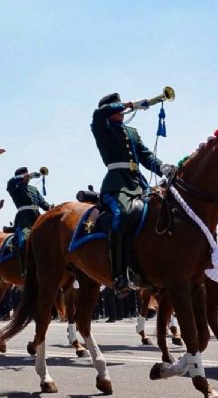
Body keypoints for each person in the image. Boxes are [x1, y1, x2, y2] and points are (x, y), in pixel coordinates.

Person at [91, 93, 173, 293]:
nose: (121, 112)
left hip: (138, 182)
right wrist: (130, 104)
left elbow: (145, 156)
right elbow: (98, 114)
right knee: (122, 215)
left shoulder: (132, 132)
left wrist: (162, 167)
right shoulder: (102, 127)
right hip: (117, 184)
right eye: (116, 108)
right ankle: (119, 275)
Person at [6, 167, 51, 274]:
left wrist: (52, 208)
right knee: (24, 241)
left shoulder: (33, 189)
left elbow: (44, 205)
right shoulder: (14, 188)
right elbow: (10, 181)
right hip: (24, 219)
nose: (29, 178)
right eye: (26, 175)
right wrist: (27, 176)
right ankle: (24, 271)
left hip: (37, 217)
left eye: (28, 175)